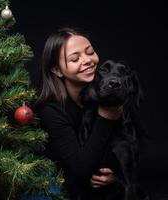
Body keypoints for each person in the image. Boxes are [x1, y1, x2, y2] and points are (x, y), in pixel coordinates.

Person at [35, 27, 127, 200]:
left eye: (90, 52)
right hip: (49, 180)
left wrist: (114, 172)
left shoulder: (102, 91)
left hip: (81, 182)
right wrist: (106, 118)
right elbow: (80, 168)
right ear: (57, 70)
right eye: (75, 58)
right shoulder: (50, 110)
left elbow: (118, 145)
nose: (87, 60)